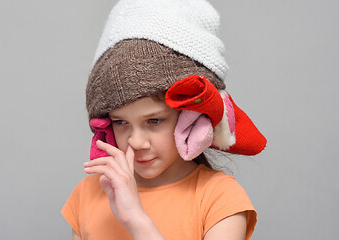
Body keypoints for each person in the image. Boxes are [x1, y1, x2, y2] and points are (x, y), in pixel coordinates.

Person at [61, 0, 267, 239]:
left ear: (190, 119)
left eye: (154, 121)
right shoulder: (89, 193)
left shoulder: (220, 199)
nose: (136, 142)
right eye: (120, 122)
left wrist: (135, 218)